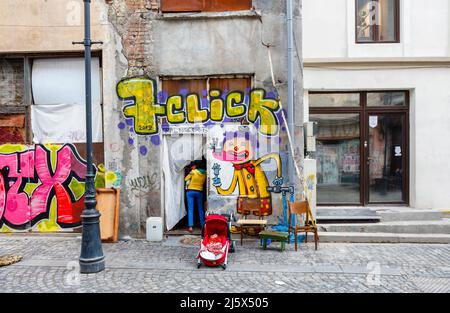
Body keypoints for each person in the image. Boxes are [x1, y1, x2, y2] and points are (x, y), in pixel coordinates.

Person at [184, 161, 206, 233]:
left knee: (190, 209)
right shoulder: (205, 173)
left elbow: (186, 179)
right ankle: (203, 225)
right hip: (199, 192)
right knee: (200, 209)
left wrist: (190, 173)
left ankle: (190, 227)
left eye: (191, 166)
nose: (191, 167)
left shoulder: (193, 172)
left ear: (195, 166)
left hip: (190, 192)